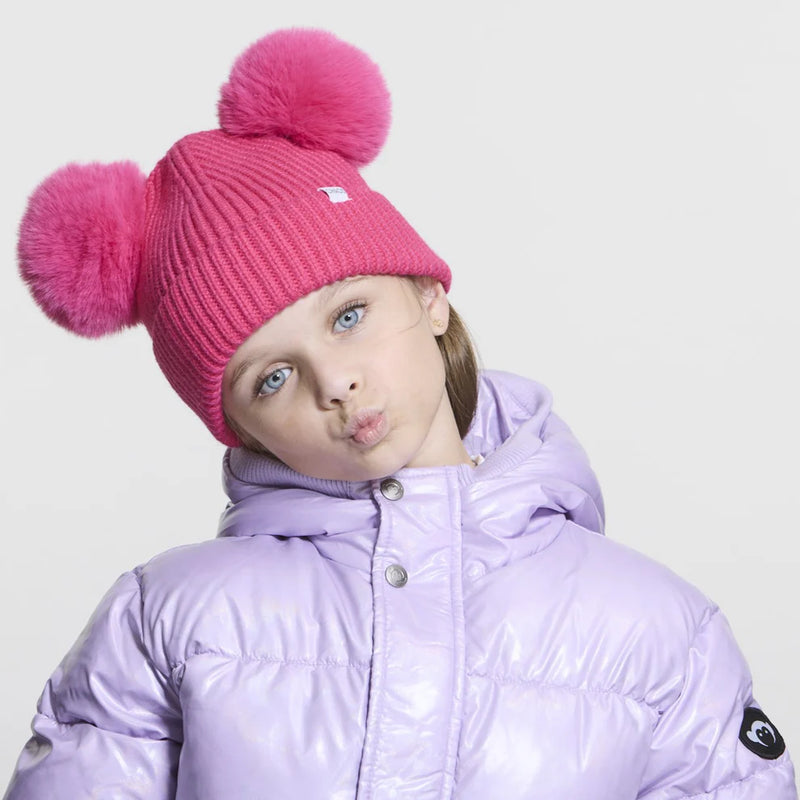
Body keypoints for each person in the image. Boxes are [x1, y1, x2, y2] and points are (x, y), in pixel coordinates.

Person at [4, 27, 797, 800]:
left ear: (430, 296)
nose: (336, 384)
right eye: (273, 378)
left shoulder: (659, 631)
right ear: (241, 427)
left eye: (348, 315)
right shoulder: (166, 619)